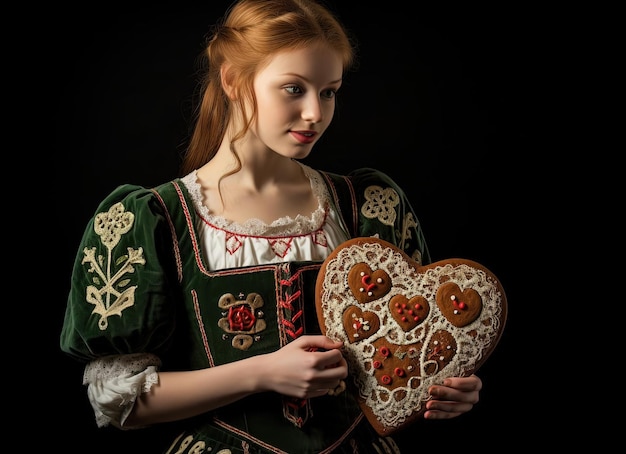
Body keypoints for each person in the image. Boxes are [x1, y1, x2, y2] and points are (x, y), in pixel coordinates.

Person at [60, 0, 483, 452]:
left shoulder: (367, 205)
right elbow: (119, 401)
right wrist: (261, 372)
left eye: (329, 91)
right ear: (234, 80)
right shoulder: (156, 218)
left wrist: (442, 389)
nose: (315, 114)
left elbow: (407, 355)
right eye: (293, 88)